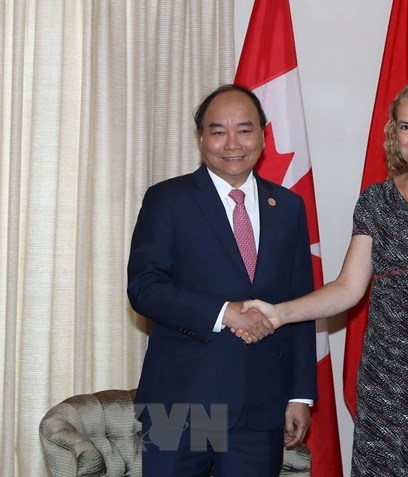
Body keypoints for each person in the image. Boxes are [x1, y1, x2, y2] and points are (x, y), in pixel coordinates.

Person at [238, 79, 408, 476]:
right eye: (405, 126)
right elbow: (348, 289)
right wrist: (278, 313)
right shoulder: (375, 201)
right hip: (384, 381)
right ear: (394, 133)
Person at [127, 84, 317, 477]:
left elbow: (300, 302)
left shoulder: (288, 207)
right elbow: (144, 287)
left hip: (260, 405)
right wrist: (223, 313)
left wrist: (300, 394)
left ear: (263, 135)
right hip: (179, 405)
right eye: (218, 131)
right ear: (201, 138)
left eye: (244, 130)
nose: (232, 143)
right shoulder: (168, 200)